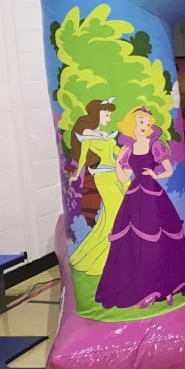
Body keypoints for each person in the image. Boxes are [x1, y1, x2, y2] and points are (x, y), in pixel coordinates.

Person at [95, 106, 185, 309]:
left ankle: (165, 285)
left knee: (161, 236)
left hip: (153, 195)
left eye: (148, 123)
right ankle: (143, 285)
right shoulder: (127, 149)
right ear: (131, 122)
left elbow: (168, 169)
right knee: (135, 238)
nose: (145, 125)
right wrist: (118, 164)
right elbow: (123, 177)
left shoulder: (155, 145)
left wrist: (155, 174)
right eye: (141, 121)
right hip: (135, 196)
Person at [68, 98, 127, 274]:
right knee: (115, 213)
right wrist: (75, 175)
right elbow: (82, 158)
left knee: (118, 213)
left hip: (116, 175)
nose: (109, 117)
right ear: (97, 114)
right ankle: (101, 258)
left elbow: (117, 153)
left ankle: (119, 253)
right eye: (106, 113)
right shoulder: (87, 134)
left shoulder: (105, 134)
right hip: (103, 176)